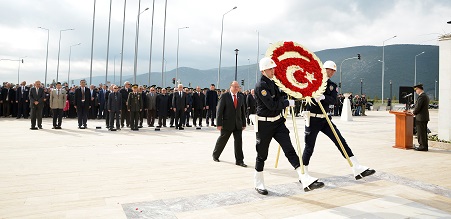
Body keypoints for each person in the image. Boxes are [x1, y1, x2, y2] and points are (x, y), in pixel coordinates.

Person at [302, 60, 375, 190]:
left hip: (325, 119)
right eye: (330, 70)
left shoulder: (332, 85)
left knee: (340, 141)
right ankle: (303, 174)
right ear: (324, 69)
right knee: (309, 147)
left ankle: (356, 167)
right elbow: (304, 93)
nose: (332, 72)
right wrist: (313, 96)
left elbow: (334, 99)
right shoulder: (313, 81)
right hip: (312, 119)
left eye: (334, 71)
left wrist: (323, 97)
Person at [253, 57, 315, 195]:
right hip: (264, 124)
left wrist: (296, 91)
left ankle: (304, 177)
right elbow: (272, 105)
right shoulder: (261, 86)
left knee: (290, 149)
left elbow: (280, 95)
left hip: (278, 122)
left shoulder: (272, 83)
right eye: (270, 68)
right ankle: (259, 182)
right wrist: (287, 103)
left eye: (273, 68)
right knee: (262, 154)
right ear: (263, 70)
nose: (273, 70)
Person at [212, 81, 247, 167]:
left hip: (238, 123)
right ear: (230, 87)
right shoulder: (224, 96)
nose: (236, 88)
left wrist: (243, 123)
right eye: (235, 87)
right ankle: (215, 155)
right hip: (227, 123)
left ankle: (239, 160)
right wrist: (219, 124)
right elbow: (219, 111)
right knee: (222, 140)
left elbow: (243, 111)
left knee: (238, 142)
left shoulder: (240, 97)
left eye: (237, 87)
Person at [412, 84, 430, 151]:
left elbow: (418, 107)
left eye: (416, 90)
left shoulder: (422, 97)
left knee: (421, 133)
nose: (416, 92)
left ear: (419, 89)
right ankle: (424, 146)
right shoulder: (425, 96)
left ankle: (422, 146)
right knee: (423, 133)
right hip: (424, 117)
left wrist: (413, 112)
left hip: (421, 117)